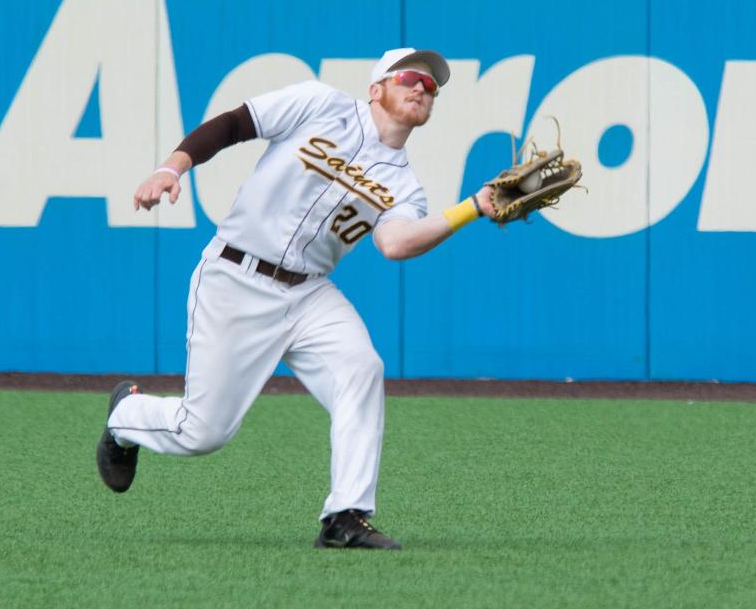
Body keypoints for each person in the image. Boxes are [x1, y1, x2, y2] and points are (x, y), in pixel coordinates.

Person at [96, 48, 495, 550]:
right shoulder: (318, 104)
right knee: (203, 432)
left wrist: (474, 207)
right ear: (376, 88)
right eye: (411, 77)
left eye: (431, 86)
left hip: (308, 293)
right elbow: (233, 125)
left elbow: (394, 244)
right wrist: (172, 169)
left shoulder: (404, 185)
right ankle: (124, 418)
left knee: (361, 369)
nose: (422, 88)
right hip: (235, 276)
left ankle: (345, 517)